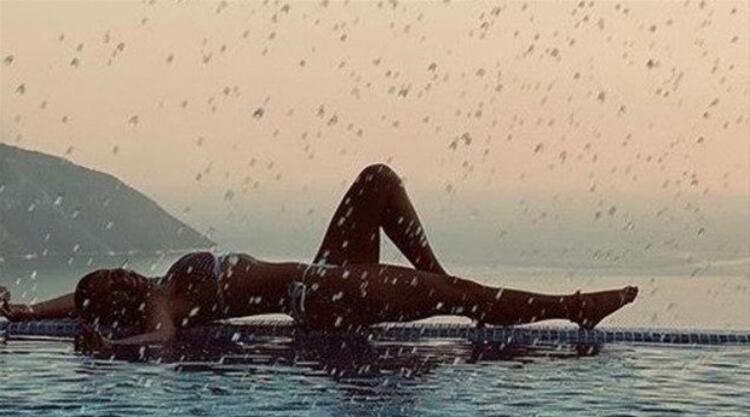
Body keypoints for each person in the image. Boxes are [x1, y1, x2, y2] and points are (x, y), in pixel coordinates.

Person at [0, 164, 637, 349]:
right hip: (325, 296)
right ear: (124, 299)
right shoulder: (161, 304)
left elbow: (80, 298)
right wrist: (114, 344)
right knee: (462, 298)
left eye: (113, 269)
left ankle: (432, 278)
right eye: (116, 279)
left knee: (377, 180)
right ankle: (573, 308)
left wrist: (27, 311)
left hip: (322, 274)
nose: (122, 271)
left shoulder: (161, 280)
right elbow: (159, 339)